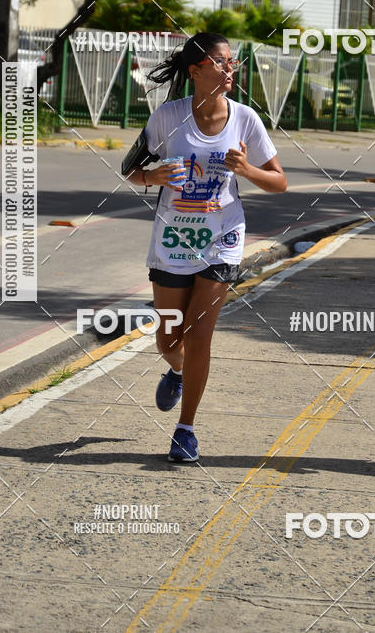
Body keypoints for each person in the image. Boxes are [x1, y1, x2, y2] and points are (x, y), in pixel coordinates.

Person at [123, 32, 287, 462]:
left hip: (222, 240)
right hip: (173, 241)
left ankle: (186, 429)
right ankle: (175, 371)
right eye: (221, 61)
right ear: (196, 70)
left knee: (199, 336)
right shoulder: (167, 117)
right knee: (168, 339)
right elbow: (131, 169)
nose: (230, 68)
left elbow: (279, 182)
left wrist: (247, 169)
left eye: (233, 61)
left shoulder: (246, 119)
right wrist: (153, 178)